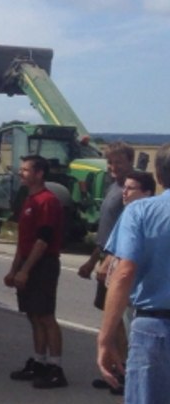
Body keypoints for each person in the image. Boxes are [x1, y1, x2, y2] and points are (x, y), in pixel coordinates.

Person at [97, 145, 170, 404]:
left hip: (155, 328)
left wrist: (106, 338)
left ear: (159, 175)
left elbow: (124, 273)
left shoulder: (141, 212)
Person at [5, 154, 68, 389]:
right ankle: (39, 361)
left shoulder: (47, 201)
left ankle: (56, 367)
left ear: (39, 174)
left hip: (43, 264)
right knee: (33, 315)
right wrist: (14, 270)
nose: (20, 173)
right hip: (27, 263)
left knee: (46, 316)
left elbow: (43, 240)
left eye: (25, 170)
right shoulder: (29, 200)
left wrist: (26, 270)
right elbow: (23, 241)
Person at [79, 142, 136, 391]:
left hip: (119, 261)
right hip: (105, 258)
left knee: (120, 319)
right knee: (109, 317)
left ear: (130, 161)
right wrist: (93, 260)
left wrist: (111, 261)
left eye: (118, 162)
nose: (113, 167)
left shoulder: (131, 192)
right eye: (110, 162)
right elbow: (106, 233)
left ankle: (124, 373)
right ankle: (114, 369)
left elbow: (126, 234)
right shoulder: (113, 187)